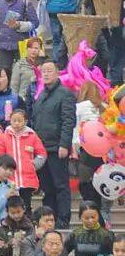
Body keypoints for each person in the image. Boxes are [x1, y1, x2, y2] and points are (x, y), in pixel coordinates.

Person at [31, 62, 77, 226]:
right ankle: (49, 219)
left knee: (60, 185)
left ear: (57, 73)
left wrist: (64, 144)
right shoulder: (41, 95)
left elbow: (68, 121)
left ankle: (63, 219)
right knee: (47, 187)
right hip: (41, 149)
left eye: (49, 71)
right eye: (43, 71)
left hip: (57, 147)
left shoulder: (65, 94)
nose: (45, 74)